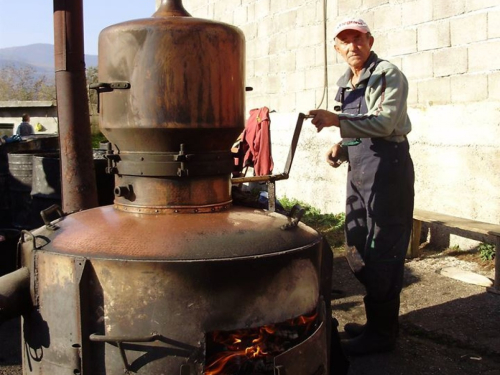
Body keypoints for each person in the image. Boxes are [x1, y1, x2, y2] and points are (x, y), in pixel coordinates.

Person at [308, 18, 415, 356]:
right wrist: (343, 147)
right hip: (360, 170)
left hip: (388, 168)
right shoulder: (346, 80)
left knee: (384, 249)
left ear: (370, 40)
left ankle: (382, 335)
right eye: (345, 40)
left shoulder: (387, 74)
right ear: (337, 48)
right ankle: (378, 324)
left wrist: (337, 121)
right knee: (357, 247)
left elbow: (384, 122)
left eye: (359, 38)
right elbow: (359, 130)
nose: (353, 45)